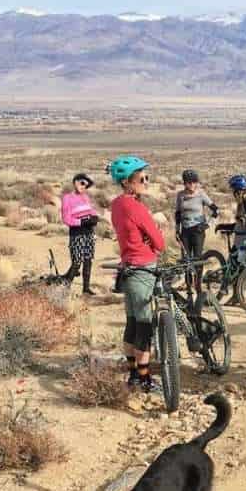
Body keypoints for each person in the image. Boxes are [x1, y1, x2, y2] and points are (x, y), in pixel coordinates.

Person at [108, 155, 167, 393]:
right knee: (144, 326)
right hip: (143, 268)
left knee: (131, 323)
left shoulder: (117, 204)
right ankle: (144, 380)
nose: (146, 181)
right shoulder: (137, 207)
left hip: (127, 267)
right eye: (142, 178)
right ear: (127, 182)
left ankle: (133, 375)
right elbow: (160, 244)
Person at [217, 174, 246, 304]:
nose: (233, 194)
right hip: (239, 241)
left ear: (239, 191)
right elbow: (238, 224)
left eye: (234, 192)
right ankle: (236, 296)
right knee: (234, 268)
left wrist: (244, 221)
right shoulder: (240, 204)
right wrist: (223, 226)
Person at [174, 169, 218, 292]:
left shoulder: (201, 194)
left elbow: (216, 210)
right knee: (186, 260)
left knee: (198, 259)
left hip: (198, 230)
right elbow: (177, 213)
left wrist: (207, 224)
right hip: (185, 231)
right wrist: (177, 230)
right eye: (189, 182)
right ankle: (189, 285)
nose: (192, 185)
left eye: (194, 182)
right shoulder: (180, 195)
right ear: (185, 183)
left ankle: (198, 285)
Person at [59, 172, 100, 294]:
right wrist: (81, 222)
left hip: (89, 232)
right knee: (77, 261)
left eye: (86, 186)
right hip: (77, 233)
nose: (84, 187)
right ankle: (65, 289)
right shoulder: (67, 198)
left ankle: (86, 289)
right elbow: (66, 219)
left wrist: (94, 218)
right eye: (82, 183)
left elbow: (91, 211)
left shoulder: (85, 197)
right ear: (75, 182)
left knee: (88, 260)